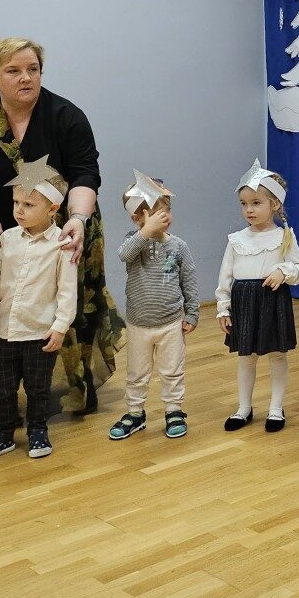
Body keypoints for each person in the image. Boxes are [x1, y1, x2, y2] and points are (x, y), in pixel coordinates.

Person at [0, 36, 122, 417]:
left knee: (67, 304)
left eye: (33, 69)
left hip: (64, 229)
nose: (26, 77)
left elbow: (86, 174)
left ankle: (70, 388)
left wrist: (77, 219)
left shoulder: (67, 116)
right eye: (13, 71)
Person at [0, 158, 78, 464]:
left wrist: (60, 327)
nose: (19, 210)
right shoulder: (7, 239)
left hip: (39, 332)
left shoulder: (62, 244)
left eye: (28, 204)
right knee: (1, 388)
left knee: (37, 388)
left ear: (52, 209)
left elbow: (67, 290)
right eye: (16, 202)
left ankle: (38, 431)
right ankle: (2, 435)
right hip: (5, 331)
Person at [216, 160, 299, 433]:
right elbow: (225, 276)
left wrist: (283, 271)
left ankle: (276, 408)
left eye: (256, 203)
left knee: (277, 355)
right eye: (244, 204)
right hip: (244, 302)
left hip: (272, 300)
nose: (249, 209)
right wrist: (223, 308)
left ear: (274, 204)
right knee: (247, 357)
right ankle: (244, 408)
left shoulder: (284, 236)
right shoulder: (236, 239)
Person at [109, 172, 199, 442]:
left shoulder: (178, 246)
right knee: (137, 372)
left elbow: (189, 279)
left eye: (167, 210)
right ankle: (135, 413)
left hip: (171, 322)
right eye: (156, 213)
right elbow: (124, 254)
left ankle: (174, 410)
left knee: (172, 370)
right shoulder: (133, 242)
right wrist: (146, 232)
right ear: (136, 218)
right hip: (139, 323)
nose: (164, 216)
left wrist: (192, 312)